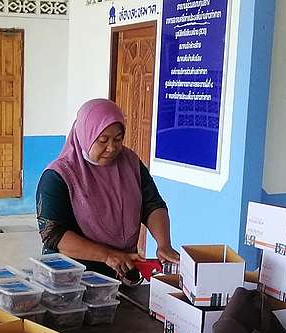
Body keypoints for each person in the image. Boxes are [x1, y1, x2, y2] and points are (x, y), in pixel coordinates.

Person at [36, 99, 180, 278]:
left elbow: (152, 204)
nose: (111, 148)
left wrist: (163, 244)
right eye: (103, 140)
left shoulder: (130, 163)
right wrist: (108, 255)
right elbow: (53, 234)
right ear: (85, 135)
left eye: (118, 139)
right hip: (72, 278)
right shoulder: (59, 176)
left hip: (124, 271)